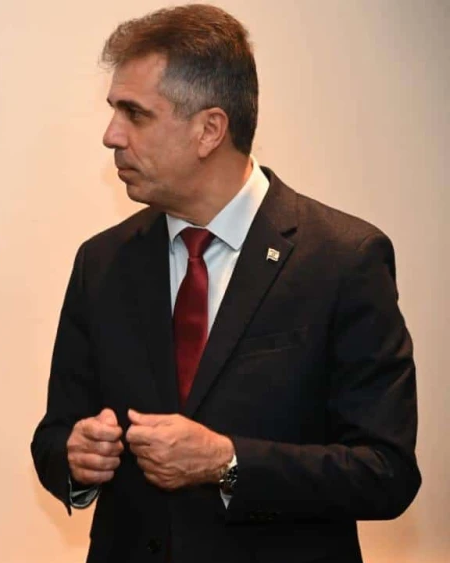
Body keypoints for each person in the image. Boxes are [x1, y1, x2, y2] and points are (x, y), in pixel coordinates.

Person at [30, 4, 420, 562]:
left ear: (210, 129)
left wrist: (229, 462)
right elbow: (55, 434)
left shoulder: (343, 259)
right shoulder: (103, 262)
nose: (110, 135)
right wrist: (75, 458)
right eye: (114, 110)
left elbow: (386, 472)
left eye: (135, 114)